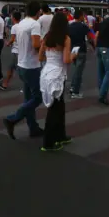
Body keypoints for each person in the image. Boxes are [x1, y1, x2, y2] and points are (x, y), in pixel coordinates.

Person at [2, 1, 44, 140]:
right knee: (38, 97)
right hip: (32, 65)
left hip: (22, 64)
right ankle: (13, 118)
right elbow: (37, 45)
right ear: (38, 12)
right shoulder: (35, 24)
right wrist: (45, 42)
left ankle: (33, 128)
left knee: (28, 98)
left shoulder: (20, 25)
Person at [39, 12, 76, 152]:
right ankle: (48, 142)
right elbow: (66, 60)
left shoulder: (47, 37)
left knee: (59, 106)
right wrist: (73, 55)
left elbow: (40, 57)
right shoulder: (65, 38)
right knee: (55, 109)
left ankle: (61, 135)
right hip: (58, 74)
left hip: (47, 73)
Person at [68, 10, 90, 99]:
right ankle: (75, 91)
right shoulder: (83, 26)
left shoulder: (69, 26)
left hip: (72, 49)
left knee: (76, 69)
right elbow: (89, 37)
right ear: (80, 16)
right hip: (81, 49)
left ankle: (73, 86)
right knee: (79, 72)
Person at [0, 11, 21, 91]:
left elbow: (13, 39)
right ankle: (5, 84)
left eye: (11, 16)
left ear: (13, 18)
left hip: (16, 51)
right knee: (11, 68)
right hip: (19, 50)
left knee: (18, 70)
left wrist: (7, 43)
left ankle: (28, 87)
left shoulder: (14, 27)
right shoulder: (22, 25)